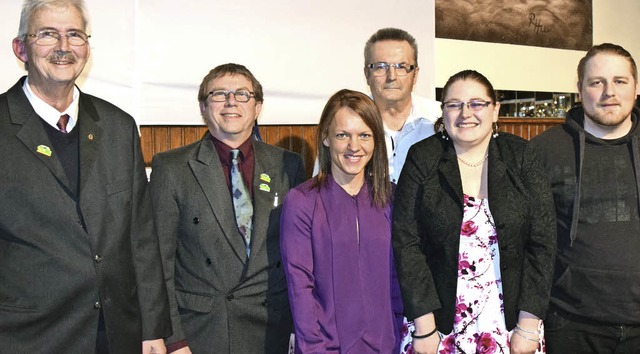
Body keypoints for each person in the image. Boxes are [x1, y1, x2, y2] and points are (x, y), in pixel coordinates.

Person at [0, 0, 171, 353]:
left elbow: (141, 236)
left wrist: (153, 328)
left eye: (74, 35)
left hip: (114, 335)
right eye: (48, 34)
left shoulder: (118, 126)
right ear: (21, 48)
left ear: (87, 48)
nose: (64, 47)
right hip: (26, 336)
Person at [393, 70, 556, 354]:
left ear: (495, 111)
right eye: (454, 104)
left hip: (510, 325)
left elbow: (542, 243)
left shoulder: (521, 156)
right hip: (438, 323)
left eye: (477, 103)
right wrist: (424, 327)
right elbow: (407, 243)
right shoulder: (422, 158)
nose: (465, 113)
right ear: (443, 113)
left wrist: (528, 326)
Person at [150, 63, 306, 354]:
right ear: (203, 107)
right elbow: (159, 262)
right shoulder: (172, 168)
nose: (231, 101)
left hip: (271, 329)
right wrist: (172, 339)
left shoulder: (288, 165)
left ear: (257, 107)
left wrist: (301, 327)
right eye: (219, 94)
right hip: (202, 332)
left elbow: (300, 257)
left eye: (242, 95)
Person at [530, 43, 640, 353]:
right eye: (597, 82)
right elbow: (530, 242)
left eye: (620, 81)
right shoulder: (544, 150)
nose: (609, 92)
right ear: (580, 89)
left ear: (636, 86)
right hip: (571, 325)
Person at [280, 89, 403, 353]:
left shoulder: (392, 197)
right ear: (325, 137)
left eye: (364, 135)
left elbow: (397, 281)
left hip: (386, 346)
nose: (354, 146)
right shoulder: (301, 201)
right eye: (342, 135)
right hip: (325, 348)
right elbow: (300, 287)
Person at [364, 27, 441, 183]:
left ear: (415, 75)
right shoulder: (347, 121)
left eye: (401, 67)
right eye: (380, 67)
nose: (391, 76)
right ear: (367, 74)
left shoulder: (442, 118)